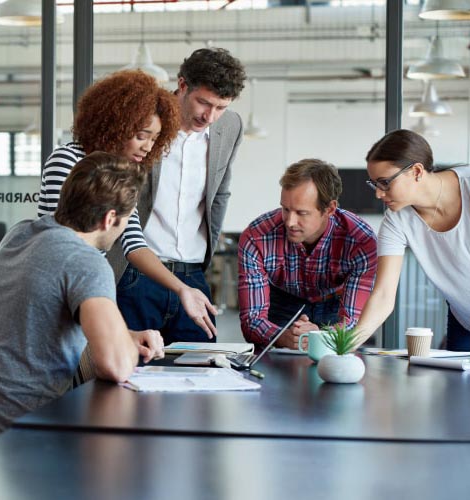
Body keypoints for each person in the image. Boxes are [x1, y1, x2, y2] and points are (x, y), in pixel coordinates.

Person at [0, 152, 164, 449]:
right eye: (127, 220)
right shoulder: (86, 261)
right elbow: (116, 366)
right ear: (109, 219)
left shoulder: (19, 235)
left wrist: (125, 336)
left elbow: (39, 320)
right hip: (25, 440)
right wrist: (123, 345)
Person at [38, 69, 219, 339]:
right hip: (63, 293)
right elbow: (59, 242)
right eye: (142, 135)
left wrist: (183, 289)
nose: (148, 147)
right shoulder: (67, 160)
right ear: (115, 124)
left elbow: (134, 243)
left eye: (155, 139)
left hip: (90, 290)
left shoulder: (123, 175)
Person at [111, 47, 246, 345]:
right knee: (132, 377)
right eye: (204, 103)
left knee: (200, 376)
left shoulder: (230, 126)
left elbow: (220, 191)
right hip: (137, 274)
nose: (210, 116)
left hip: (193, 275)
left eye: (221, 107)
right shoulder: (146, 123)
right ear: (182, 85)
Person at [238, 159, 378, 349]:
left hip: (335, 307)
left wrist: (320, 337)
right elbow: (252, 320)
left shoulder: (361, 241)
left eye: (301, 213)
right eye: (285, 209)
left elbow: (354, 323)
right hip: (282, 306)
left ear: (329, 209)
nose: (289, 222)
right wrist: (282, 337)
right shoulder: (257, 237)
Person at [352, 129, 470, 351]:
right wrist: (347, 344)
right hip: (464, 319)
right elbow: (383, 295)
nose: (378, 193)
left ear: (416, 171)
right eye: (374, 184)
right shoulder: (396, 220)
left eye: (385, 182)